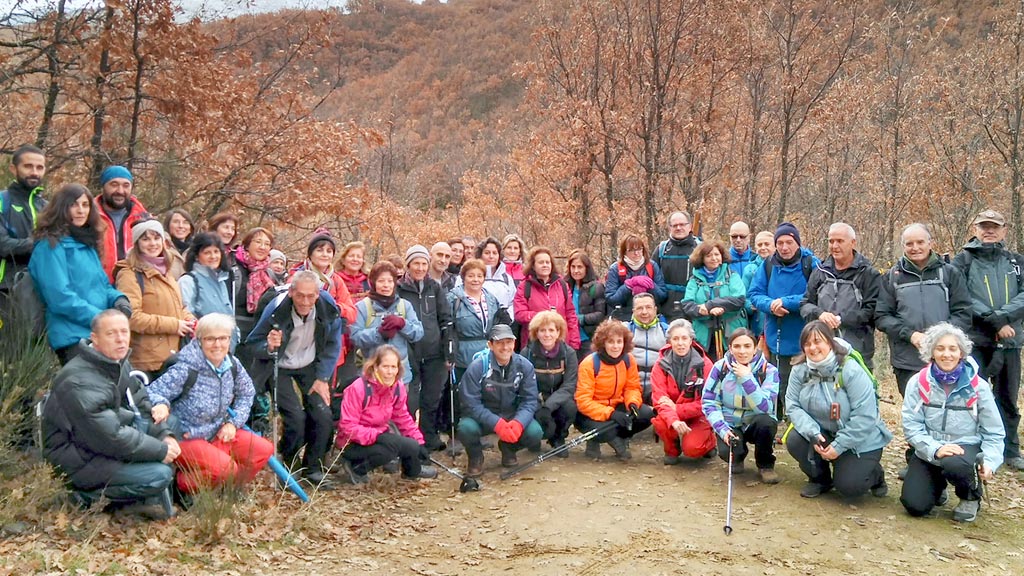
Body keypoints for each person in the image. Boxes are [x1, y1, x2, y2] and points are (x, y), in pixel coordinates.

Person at [41, 310, 179, 518]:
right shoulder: (79, 380)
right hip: (78, 458)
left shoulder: (115, 364)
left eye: (124, 332)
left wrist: (164, 436)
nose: (120, 339)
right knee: (158, 475)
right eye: (111, 333)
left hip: (100, 445)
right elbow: (110, 438)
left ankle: (138, 496)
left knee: (173, 424)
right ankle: (82, 498)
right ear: (94, 339)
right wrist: (159, 450)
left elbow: (141, 404)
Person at [148, 313, 273, 494]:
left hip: (218, 432)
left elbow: (247, 394)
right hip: (187, 436)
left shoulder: (232, 364)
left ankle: (228, 489)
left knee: (262, 450)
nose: (217, 344)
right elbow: (153, 392)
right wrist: (161, 404)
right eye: (210, 339)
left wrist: (233, 423)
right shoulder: (186, 367)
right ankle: (182, 487)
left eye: (223, 338)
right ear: (199, 340)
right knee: (226, 467)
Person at [901, 323, 1005, 522]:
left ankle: (970, 496)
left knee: (955, 462)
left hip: (964, 451)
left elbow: (994, 432)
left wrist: (990, 462)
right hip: (930, 450)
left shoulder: (978, 387)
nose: (946, 354)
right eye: (940, 348)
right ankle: (936, 488)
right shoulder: (918, 382)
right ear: (931, 352)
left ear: (961, 353)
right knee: (915, 505)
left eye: (952, 349)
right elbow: (911, 427)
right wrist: (935, 448)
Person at [246, 271, 343, 486]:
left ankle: (313, 466)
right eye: (300, 296)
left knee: (322, 413)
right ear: (291, 292)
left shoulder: (329, 309)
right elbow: (252, 343)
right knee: (295, 418)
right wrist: (269, 346)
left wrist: (322, 377)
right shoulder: (275, 309)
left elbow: (333, 344)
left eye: (310, 296)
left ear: (318, 294)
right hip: (278, 365)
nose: (305, 301)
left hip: (309, 364)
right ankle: (289, 463)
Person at [785, 321, 892, 498]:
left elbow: (865, 417)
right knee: (795, 439)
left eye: (817, 341)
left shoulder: (850, 369)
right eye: (807, 343)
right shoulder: (800, 369)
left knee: (850, 489)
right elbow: (792, 404)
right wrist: (812, 432)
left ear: (830, 341)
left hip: (859, 439)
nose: (812, 348)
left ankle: (875, 474)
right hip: (823, 433)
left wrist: (839, 445)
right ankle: (820, 479)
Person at [951, 209, 1024, 471]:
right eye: (984, 226)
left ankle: (1010, 449)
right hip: (976, 341)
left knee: (1007, 398)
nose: (989, 230)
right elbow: (962, 296)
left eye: (995, 226)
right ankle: (973, 446)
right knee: (972, 396)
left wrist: (1003, 319)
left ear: (1005, 230)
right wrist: (994, 321)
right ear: (975, 228)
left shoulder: (1016, 262)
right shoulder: (962, 261)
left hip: (1010, 342)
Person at [29, 184, 131, 364]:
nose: (81, 210)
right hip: (73, 337)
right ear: (61, 207)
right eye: (74, 205)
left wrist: (118, 299)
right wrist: (100, 318)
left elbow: (102, 286)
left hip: (99, 333)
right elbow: (60, 297)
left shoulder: (86, 244)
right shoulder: (50, 246)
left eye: (85, 205)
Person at [875, 223, 972, 397]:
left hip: (946, 359)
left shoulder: (949, 273)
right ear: (903, 246)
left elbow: (963, 313)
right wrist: (910, 335)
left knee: (946, 412)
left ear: (930, 243)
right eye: (909, 244)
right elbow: (882, 317)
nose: (915, 248)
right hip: (907, 361)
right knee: (915, 413)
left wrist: (942, 338)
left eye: (920, 242)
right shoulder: (892, 277)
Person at [747, 222, 819, 421]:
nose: (785, 247)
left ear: (797, 243)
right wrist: (770, 305)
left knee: (805, 381)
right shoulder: (768, 264)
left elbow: (816, 294)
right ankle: (781, 417)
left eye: (789, 242)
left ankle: (802, 420)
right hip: (775, 334)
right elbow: (754, 293)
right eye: (780, 243)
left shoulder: (811, 264)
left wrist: (787, 302)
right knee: (779, 379)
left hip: (806, 334)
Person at [337, 345, 438, 483]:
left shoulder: (397, 387)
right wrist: (378, 436)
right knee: (389, 450)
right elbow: (347, 427)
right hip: (352, 442)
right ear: (375, 366)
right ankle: (355, 468)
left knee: (410, 444)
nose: (390, 372)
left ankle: (412, 472)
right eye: (385, 366)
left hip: (379, 435)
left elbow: (402, 417)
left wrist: (419, 442)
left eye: (393, 367)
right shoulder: (358, 388)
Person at [458, 324, 542, 475]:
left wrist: (518, 422)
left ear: (514, 343)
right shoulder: (478, 367)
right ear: (490, 345)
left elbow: (530, 400)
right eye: (499, 342)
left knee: (535, 433)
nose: (505, 347)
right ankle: (475, 456)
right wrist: (496, 423)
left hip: (511, 415)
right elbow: (470, 403)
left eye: (509, 342)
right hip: (483, 417)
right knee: (466, 428)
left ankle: (508, 448)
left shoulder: (525, 366)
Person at [113, 220, 194, 377]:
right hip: (147, 362)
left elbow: (178, 307)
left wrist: (190, 321)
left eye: (157, 238)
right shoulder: (129, 274)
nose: (152, 243)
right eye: (145, 239)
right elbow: (132, 317)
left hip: (171, 356)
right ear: (137, 243)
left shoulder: (166, 271)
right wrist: (174, 325)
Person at [701, 328, 780, 484]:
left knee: (766, 422)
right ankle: (738, 455)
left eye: (747, 346)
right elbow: (709, 402)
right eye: (736, 346)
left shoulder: (769, 371)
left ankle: (765, 464)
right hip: (730, 423)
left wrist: (747, 378)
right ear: (730, 348)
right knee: (727, 453)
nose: (742, 351)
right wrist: (722, 430)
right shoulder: (720, 368)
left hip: (756, 421)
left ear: (755, 347)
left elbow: (765, 408)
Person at [800, 223, 882, 367]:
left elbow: (872, 311)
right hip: (821, 351)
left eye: (840, 241)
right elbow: (805, 304)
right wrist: (820, 314)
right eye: (831, 241)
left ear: (853, 242)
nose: (834, 246)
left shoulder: (868, 274)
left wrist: (840, 319)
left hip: (858, 351)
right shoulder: (820, 271)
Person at [397, 245, 453, 450]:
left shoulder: (434, 288)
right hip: (408, 352)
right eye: (416, 263)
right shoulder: (399, 288)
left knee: (431, 397)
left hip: (434, 351)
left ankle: (428, 437)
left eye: (423, 264)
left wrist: (448, 348)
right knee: (409, 400)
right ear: (408, 265)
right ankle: (409, 440)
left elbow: (445, 318)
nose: (420, 268)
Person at [575, 319, 656, 460]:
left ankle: (621, 437)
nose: (616, 346)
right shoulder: (589, 363)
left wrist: (632, 403)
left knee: (645, 414)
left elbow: (632, 387)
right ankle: (597, 440)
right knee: (606, 429)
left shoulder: (628, 359)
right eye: (611, 342)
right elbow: (583, 402)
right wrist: (610, 414)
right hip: (590, 412)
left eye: (619, 341)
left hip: (617, 405)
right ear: (603, 343)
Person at [446, 258, 501, 453]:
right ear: (464, 278)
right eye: (471, 276)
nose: (475, 279)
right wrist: (449, 352)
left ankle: (482, 431)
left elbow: (495, 322)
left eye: (479, 275)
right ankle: (458, 434)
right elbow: (448, 327)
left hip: (486, 349)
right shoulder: (454, 298)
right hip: (463, 350)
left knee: (484, 392)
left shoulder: (490, 297)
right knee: (462, 392)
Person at [351, 260, 424, 392]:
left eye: (390, 281)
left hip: (400, 376)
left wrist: (402, 324)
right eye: (381, 281)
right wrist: (379, 333)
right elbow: (355, 337)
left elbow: (418, 333)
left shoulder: (404, 306)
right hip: (372, 376)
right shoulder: (362, 307)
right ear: (373, 283)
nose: (386, 285)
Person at [650, 319, 716, 464]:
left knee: (692, 450)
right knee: (661, 422)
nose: (680, 343)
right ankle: (672, 450)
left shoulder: (705, 365)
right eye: (675, 339)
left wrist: (678, 408)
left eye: (684, 338)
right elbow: (659, 399)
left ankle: (710, 441)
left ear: (691, 340)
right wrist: (673, 419)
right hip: (671, 413)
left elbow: (708, 402)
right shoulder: (660, 365)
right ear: (669, 341)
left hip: (698, 414)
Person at [521, 311, 579, 455]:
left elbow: (569, 385)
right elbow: (524, 386)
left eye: (551, 330)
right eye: (542, 330)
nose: (547, 335)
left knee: (570, 407)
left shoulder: (568, 353)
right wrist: (538, 405)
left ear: (558, 332)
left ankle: (558, 438)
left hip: (558, 399)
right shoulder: (526, 353)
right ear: (536, 332)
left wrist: (548, 406)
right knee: (536, 421)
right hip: (534, 399)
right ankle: (534, 439)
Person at [681, 240, 747, 361]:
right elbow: (687, 304)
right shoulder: (694, 280)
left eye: (717, 254)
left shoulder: (731, 276)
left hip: (730, 332)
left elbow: (739, 299)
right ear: (702, 259)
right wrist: (701, 310)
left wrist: (710, 305)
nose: (714, 258)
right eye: (709, 255)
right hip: (704, 335)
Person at [0, 144, 47, 298]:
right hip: (5, 290)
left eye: (40, 168)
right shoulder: (2, 201)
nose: (34, 172)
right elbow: (3, 246)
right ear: (13, 169)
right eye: (28, 166)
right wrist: (39, 244)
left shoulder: (48, 207)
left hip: (42, 289)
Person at [513, 245, 581, 349]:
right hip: (534, 344)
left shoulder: (562, 285)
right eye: (541, 262)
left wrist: (574, 343)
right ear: (533, 266)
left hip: (560, 344)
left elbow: (571, 315)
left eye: (547, 262)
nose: (545, 265)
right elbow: (519, 314)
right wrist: (544, 316)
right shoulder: (525, 286)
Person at [179, 233, 237, 349]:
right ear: (196, 256)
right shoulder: (188, 281)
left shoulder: (222, 281)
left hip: (225, 349)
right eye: (207, 252)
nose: (213, 256)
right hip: (201, 350)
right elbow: (185, 315)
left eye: (216, 251)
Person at [94, 166, 150, 282]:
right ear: (103, 186)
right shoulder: (89, 217)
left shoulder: (143, 218)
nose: (120, 191)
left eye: (126, 185)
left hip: (136, 287)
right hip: (97, 288)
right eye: (114, 184)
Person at [605, 233, 667, 322]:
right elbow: (611, 299)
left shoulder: (652, 266)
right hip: (624, 319)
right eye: (631, 250)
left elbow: (662, 296)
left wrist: (650, 285)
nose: (636, 253)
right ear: (624, 252)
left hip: (649, 318)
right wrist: (628, 286)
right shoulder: (615, 269)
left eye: (639, 249)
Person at [652, 211, 700, 321]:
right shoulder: (662, 249)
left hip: (693, 309)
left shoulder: (700, 248)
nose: (678, 228)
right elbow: (652, 279)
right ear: (669, 228)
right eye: (674, 225)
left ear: (690, 226)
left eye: (682, 224)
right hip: (666, 310)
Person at [232, 226, 277, 338]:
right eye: (258, 242)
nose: (262, 247)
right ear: (247, 245)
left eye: (267, 244)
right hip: (234, 333)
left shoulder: (269, 274)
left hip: (260, 335)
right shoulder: (232, 268)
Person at [627, 293, 669, 403]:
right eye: (639, 308)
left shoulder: (667, 331)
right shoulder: (624, 331)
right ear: (633, 311)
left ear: (655, 310)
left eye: (648, 307)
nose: (644, 312)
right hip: (630, 388)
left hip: (658, 388)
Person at [565, 249, 605, 353]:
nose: (576, 270)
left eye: (580, 267)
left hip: (587, 338)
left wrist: (579, 319)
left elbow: (600, 314)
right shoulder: (565, 286)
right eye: (573, 267)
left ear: (586, 268)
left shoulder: (596, 287)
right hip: (568, 337)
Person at [473, 236, 517, 317]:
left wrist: (508, 316)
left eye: (495, 253)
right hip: (476, 323)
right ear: (480, 255)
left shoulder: (506, 278)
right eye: (487, 253)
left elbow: (513, 302)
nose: (491, 256)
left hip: (502, 325)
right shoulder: (470, 276)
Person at [742, 231, 775, 337]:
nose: (763, 247)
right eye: (760, 245)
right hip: (757, 322)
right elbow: (743, 296)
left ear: (774, 246)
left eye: (767, 244)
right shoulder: (750, 269)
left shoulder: (781, 267)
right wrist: (749, 306)